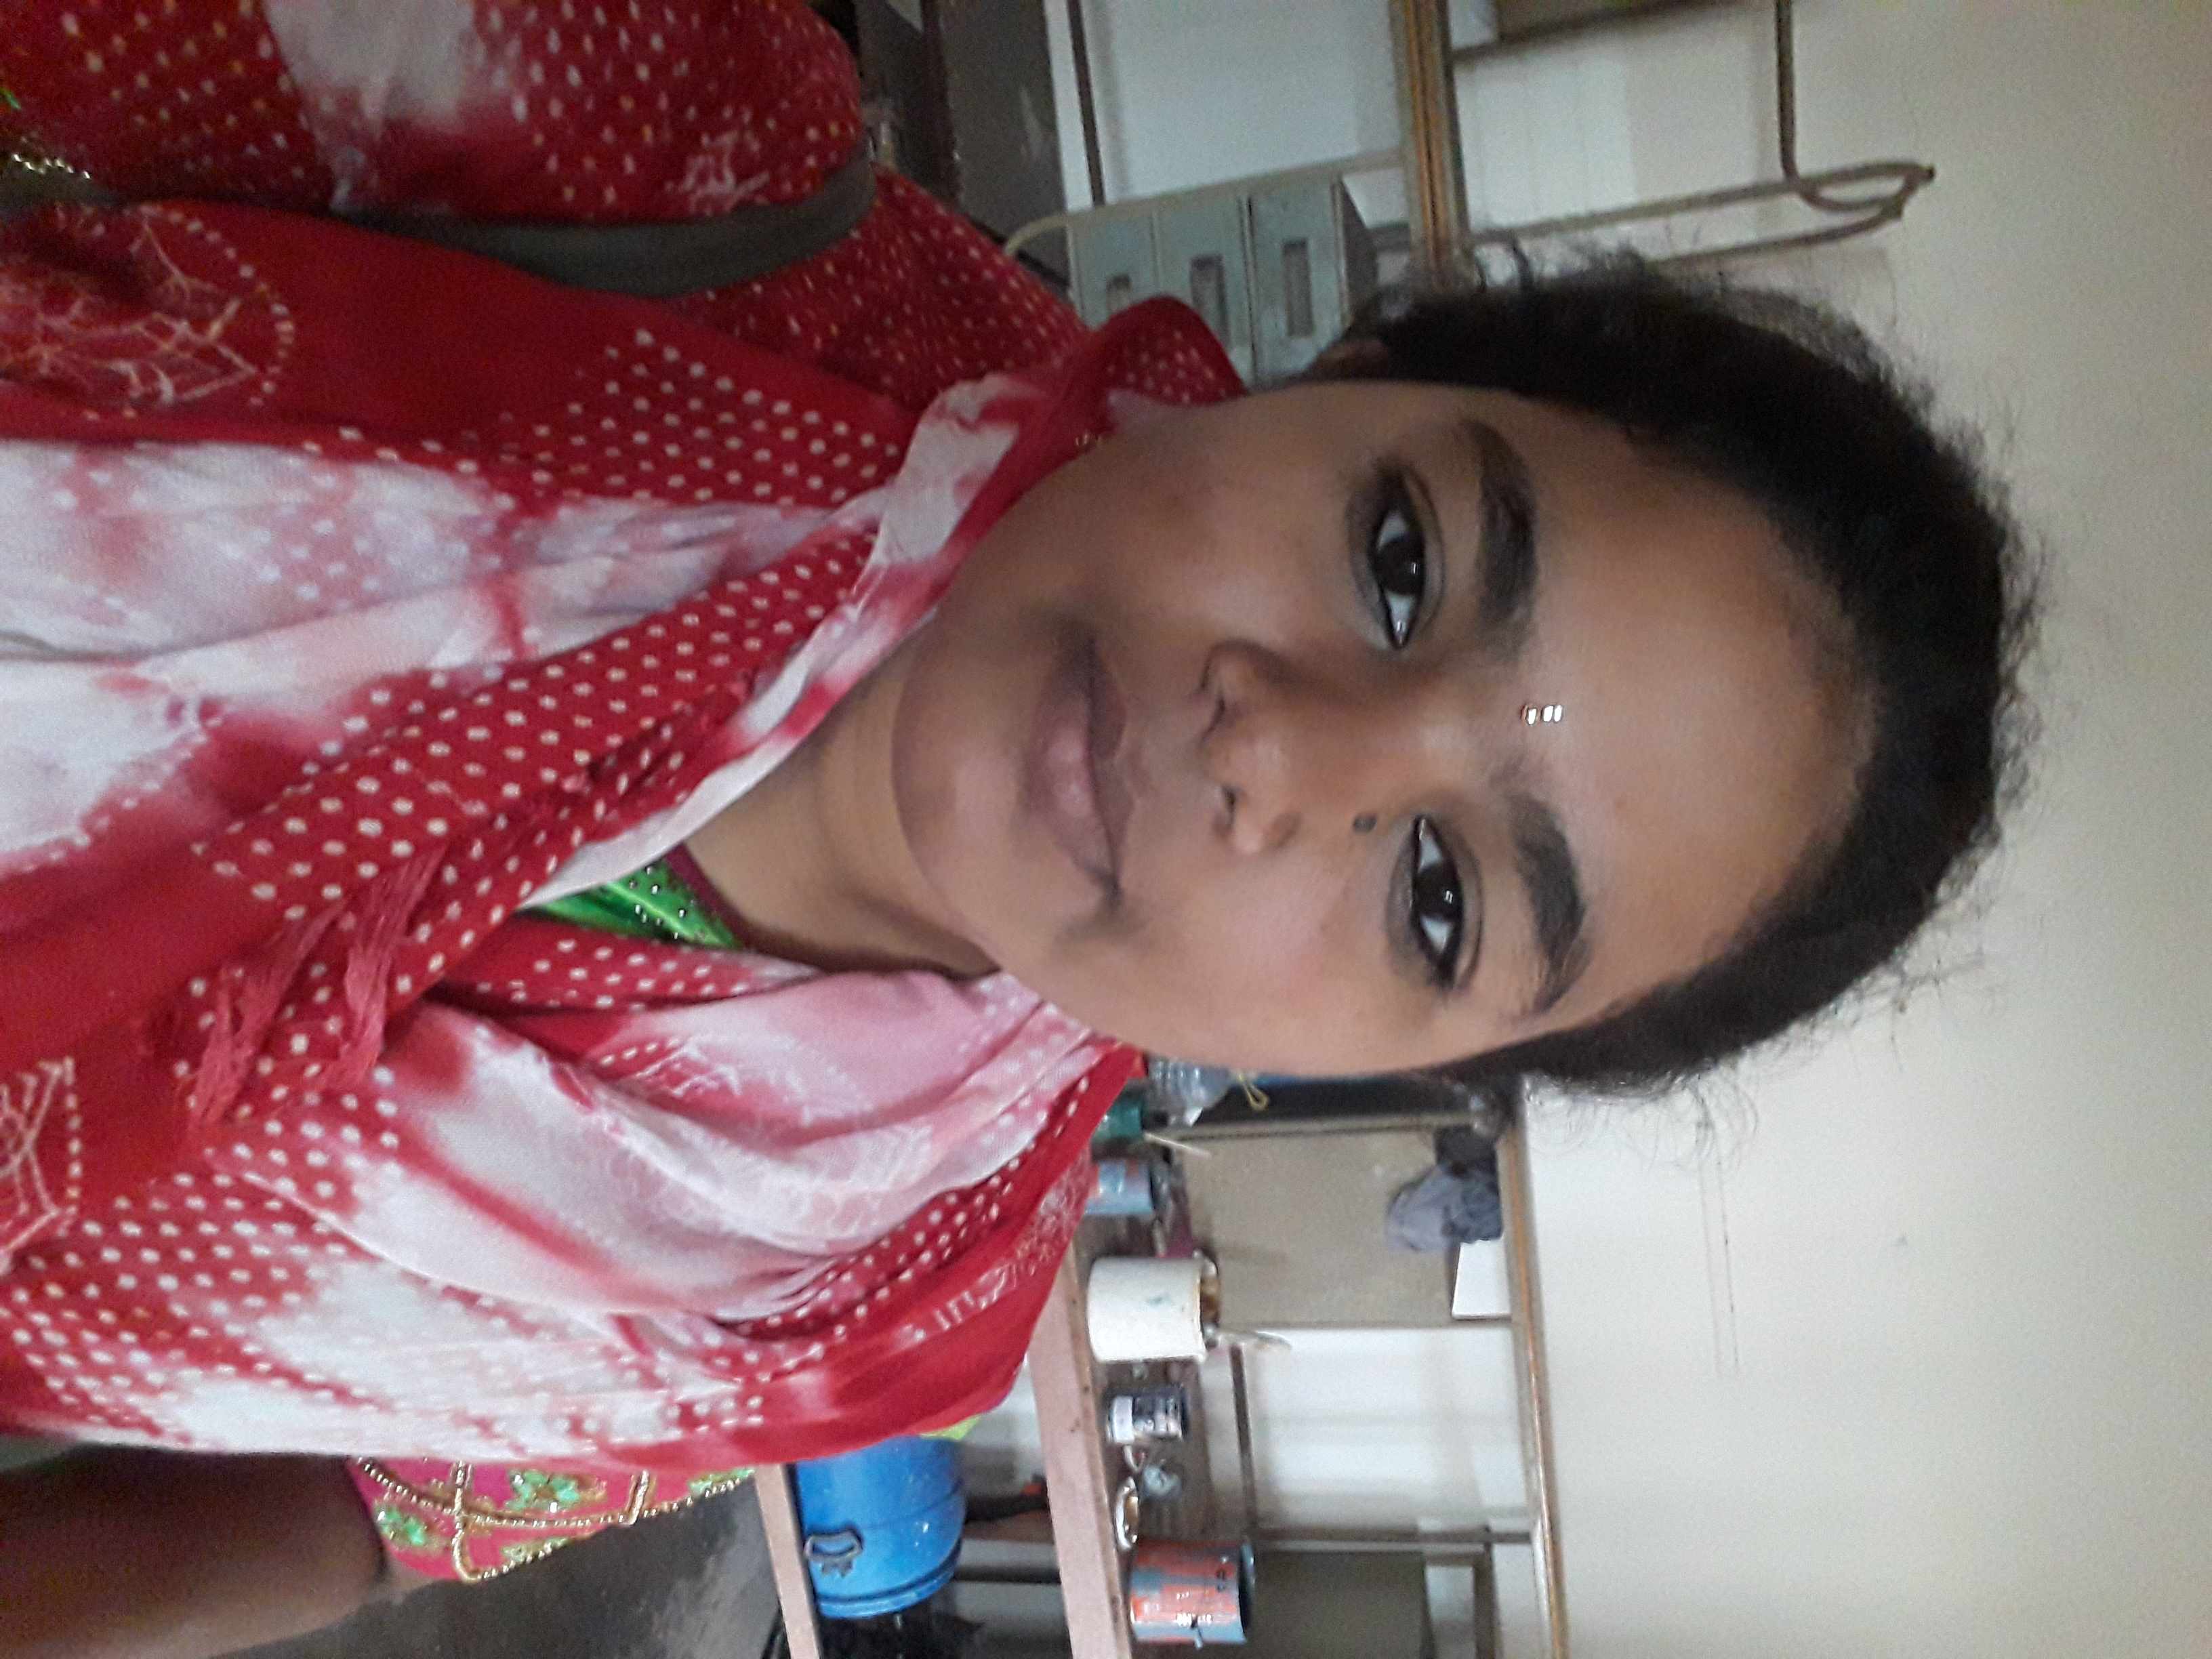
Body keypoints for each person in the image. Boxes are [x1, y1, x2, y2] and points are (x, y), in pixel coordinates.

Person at [0, 1, 2024, 1651]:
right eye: (1402, 561)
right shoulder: (661, 149)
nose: (1280, 751)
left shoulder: (898, 1296)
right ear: (1340, 378)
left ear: (1414, 1065)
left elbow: (377, 1509)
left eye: (1438, 899)